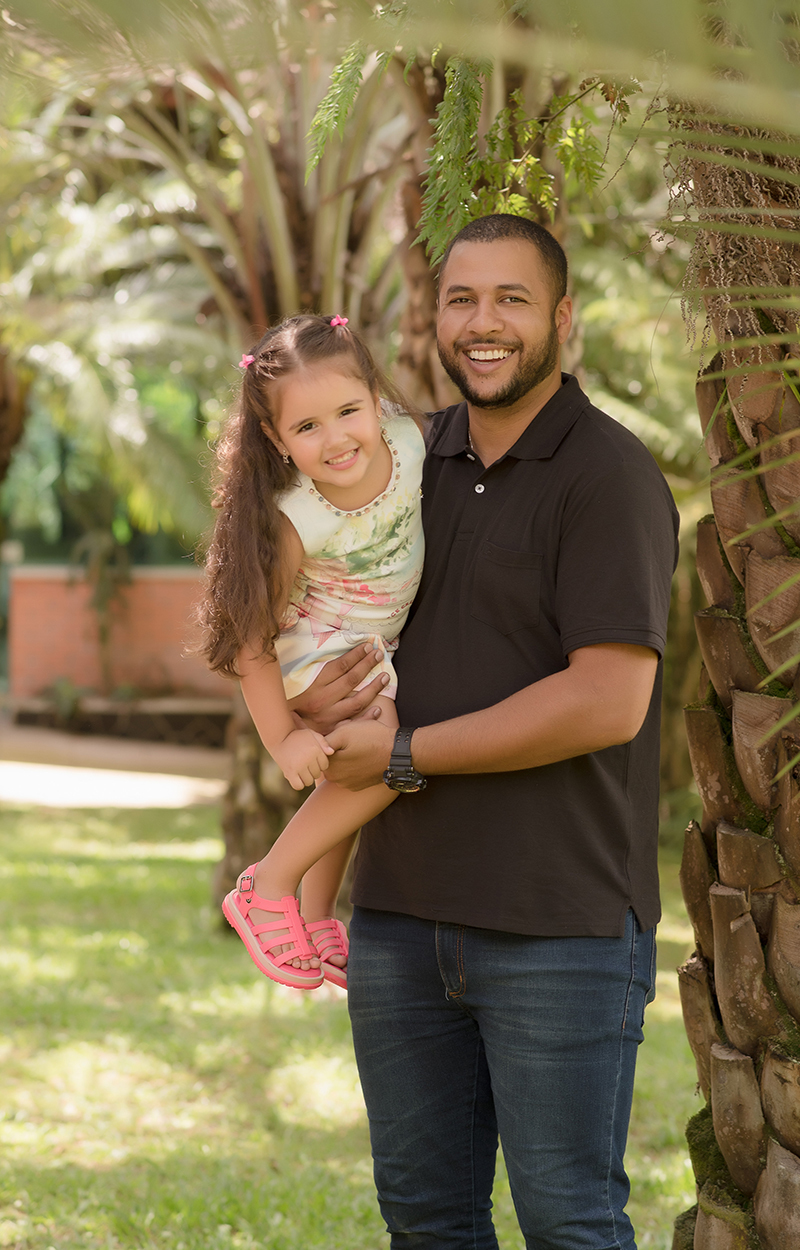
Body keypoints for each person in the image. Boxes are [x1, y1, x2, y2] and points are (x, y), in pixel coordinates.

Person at [290, 215, 680, 1249]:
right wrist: (315, 690)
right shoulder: (398, 464)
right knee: (425, 1220)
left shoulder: (607, 476)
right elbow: (335, 619)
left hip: (558, 926)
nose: (483, 322)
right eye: (461, 298)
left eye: (511, 299)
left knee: (568, 1223)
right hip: (400, 923)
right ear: (433, 318)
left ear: (561, 319)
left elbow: (607, 698)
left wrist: (408, 752)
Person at [199, 313, 425, 990]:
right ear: (275, 438)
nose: (336, 439)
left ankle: (319, 916)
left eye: (349, 411)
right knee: (384, 757)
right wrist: (283, 736)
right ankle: (268, 885)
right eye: (306, 427)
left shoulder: (411, 439)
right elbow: (252, 640)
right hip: (313, 648)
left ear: (376, 399)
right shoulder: (298, 517)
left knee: (351, 773)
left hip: (373, 643)